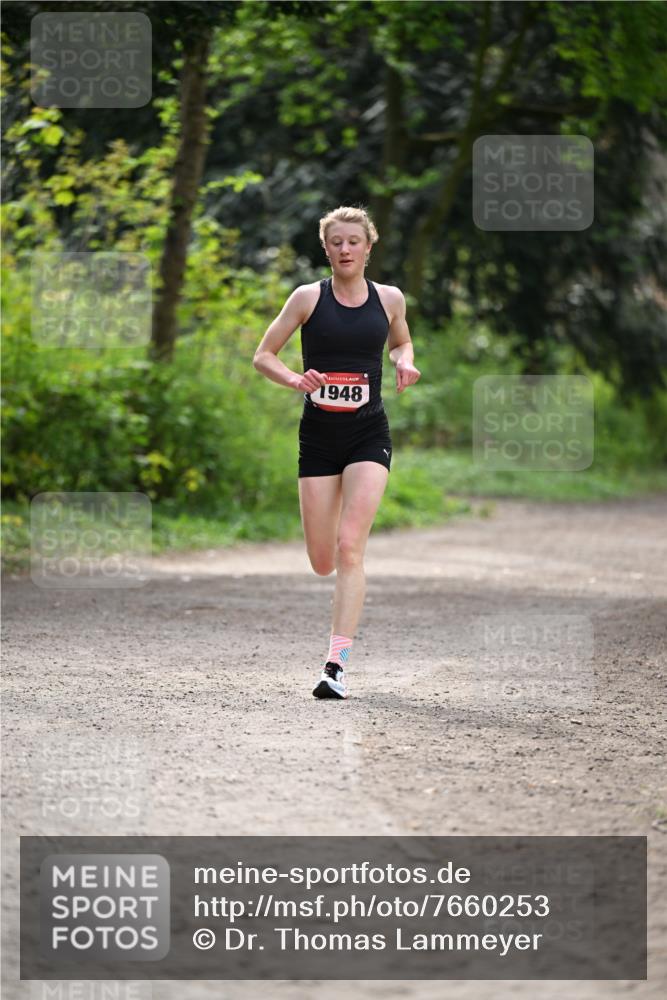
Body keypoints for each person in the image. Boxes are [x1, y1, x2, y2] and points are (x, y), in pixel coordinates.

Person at [253, 205, 420, 699]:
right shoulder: (307, 298)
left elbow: (402, 342)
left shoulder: (389, 299)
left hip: (369, 434)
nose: (345, 249)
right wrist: (293, 379)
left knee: (351, 547)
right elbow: (263, 355)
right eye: (336, 242)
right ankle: (336, 658)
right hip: (319, 439)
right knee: (322, 559)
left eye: (353, 241)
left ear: (369, 246)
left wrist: (405, 362)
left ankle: (336, 666)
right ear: (325, 249)